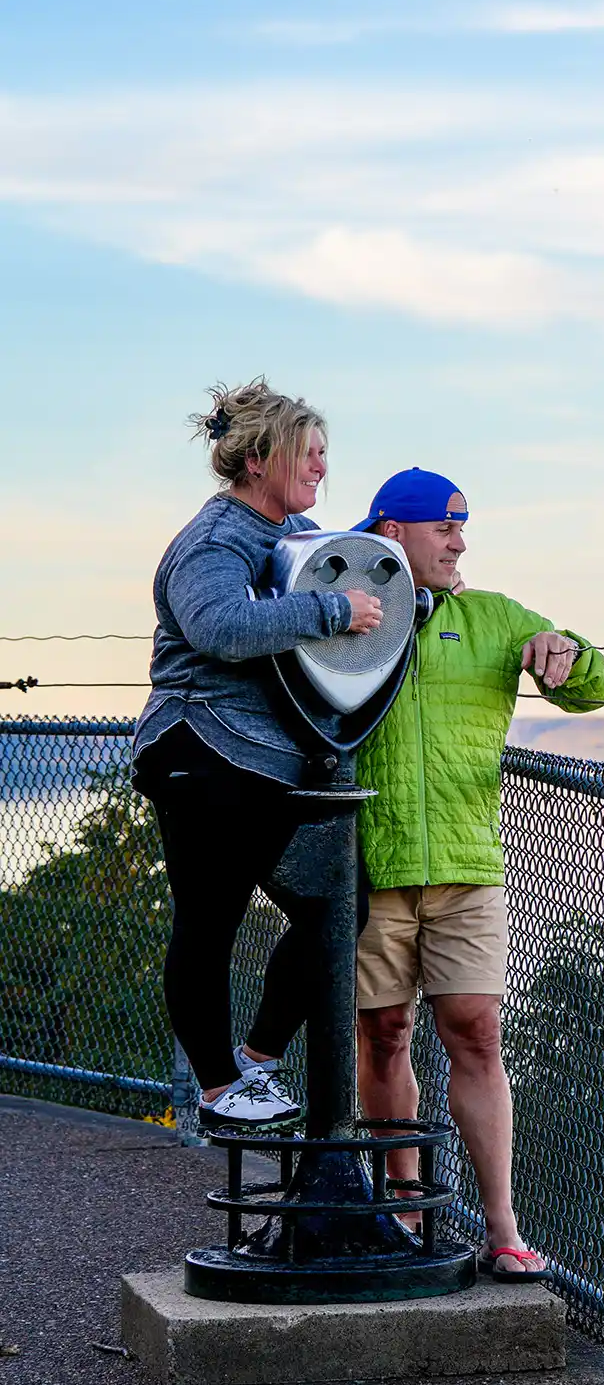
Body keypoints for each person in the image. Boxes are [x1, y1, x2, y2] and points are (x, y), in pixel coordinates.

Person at [349, 467, 604, 1282]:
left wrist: (568, 651)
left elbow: (595, 690)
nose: (460, 543)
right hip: (370, 865)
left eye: (464, 529)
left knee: (477, 1031)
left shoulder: (495, 618)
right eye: (445, 528)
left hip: (468, 866)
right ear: (393, 533)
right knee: (383, 1032)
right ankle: (404, 1204)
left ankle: (501, 1225)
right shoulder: (350, 617)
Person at [134, 379, 386, 1132]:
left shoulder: (291, 534)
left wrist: (414, 585)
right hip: (202, 752)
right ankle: (217, 1087)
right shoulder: (215, 541)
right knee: (209, 921)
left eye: (323, 456)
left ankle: (256, 1056)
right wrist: (332, 613)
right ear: (259, 460)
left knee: (342, 908)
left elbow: (352, 561)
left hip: (263, 763)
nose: (319, 468)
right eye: (307, 454)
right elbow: (220, 627)